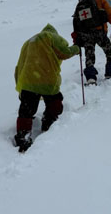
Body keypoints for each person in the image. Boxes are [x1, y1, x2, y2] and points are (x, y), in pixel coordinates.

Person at [13, 24, 80, 152]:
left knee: (26, 111)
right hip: (46, 78)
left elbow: (19, 66)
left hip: (27, 81)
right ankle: (48, 123)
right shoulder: (51, 36)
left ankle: (23, 136)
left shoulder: (28, 42)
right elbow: (64, 52)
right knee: (54, 102)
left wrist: (20, 86)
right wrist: (77, 48)